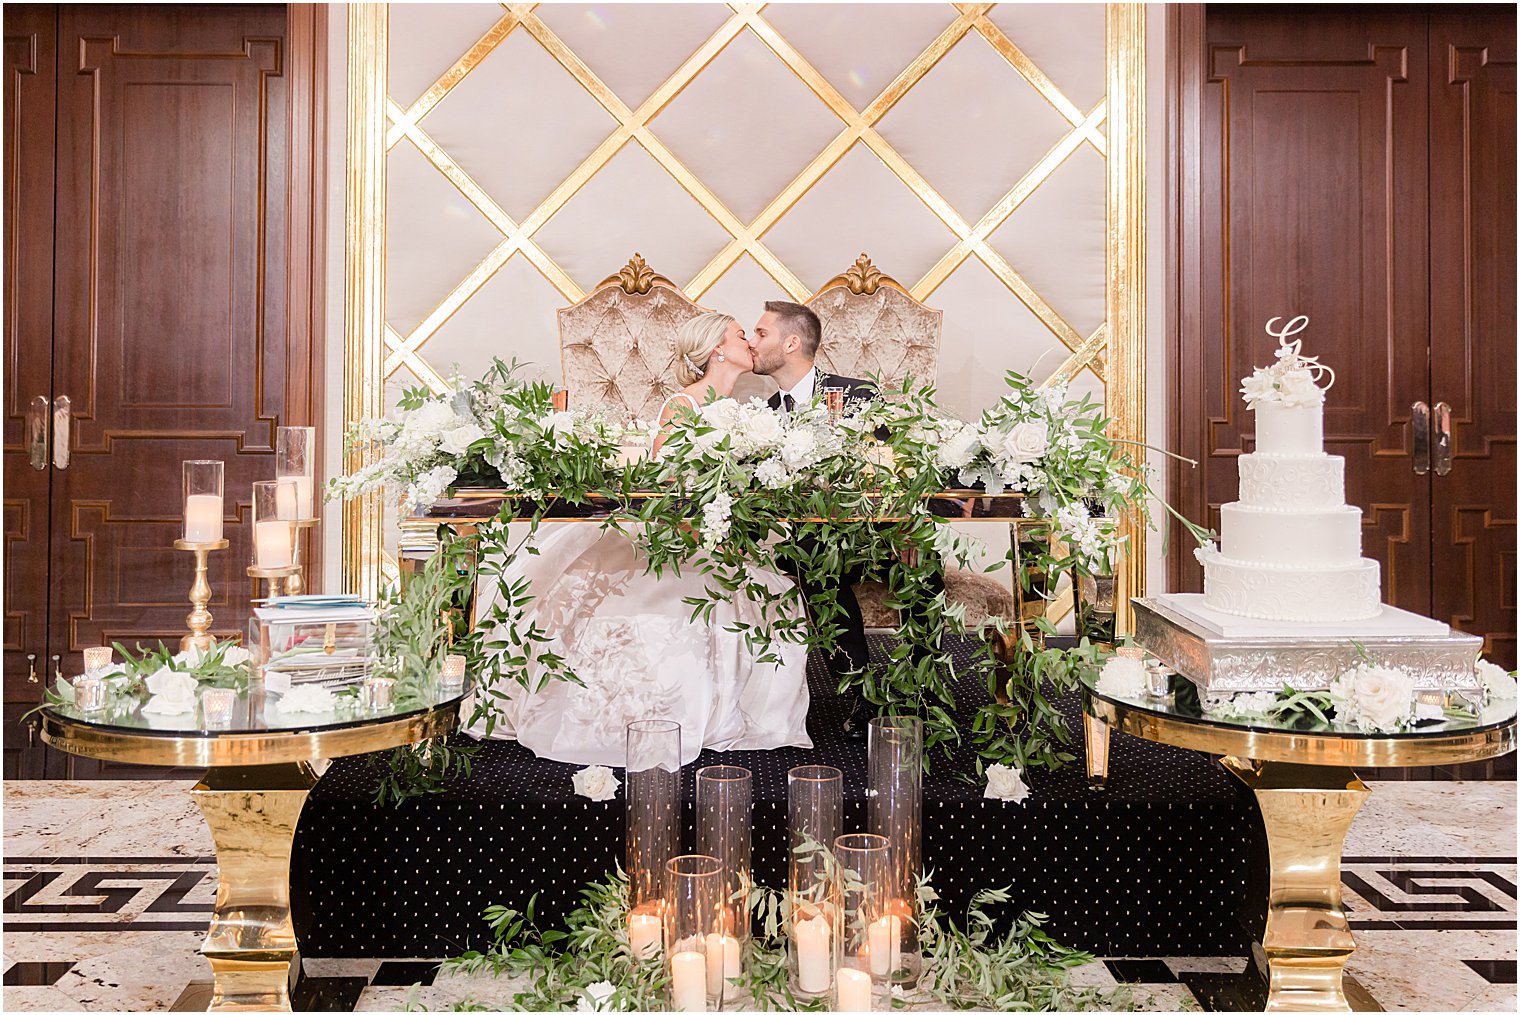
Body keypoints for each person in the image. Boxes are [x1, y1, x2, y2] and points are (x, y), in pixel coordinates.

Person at [467, 312, 812, 766]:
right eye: (740, 335)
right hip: (676, 533)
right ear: (716, 349)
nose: (749, 341)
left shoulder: (744, 411)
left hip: (720, 532)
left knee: (773, 595)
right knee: (680, 595)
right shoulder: (682, 406)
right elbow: (665, 489)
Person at [747, 300, 943, 737]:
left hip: (874, 535)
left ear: (792, 342)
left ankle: (921, 694)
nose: (752, 341)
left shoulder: (857, 394)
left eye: (761, 333)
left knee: (924, 570)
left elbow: (894, 467)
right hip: (811, 541)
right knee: (813, 564)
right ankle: (862, 696)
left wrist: (906, 530)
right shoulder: (760, 417)